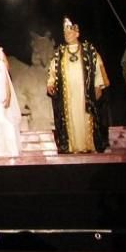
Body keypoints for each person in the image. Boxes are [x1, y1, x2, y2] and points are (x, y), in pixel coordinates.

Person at [47, 17, 109, 153]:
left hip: (85, 93)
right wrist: (51, 83)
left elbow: (97, 67)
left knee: (86, 116)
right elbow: (52, 70)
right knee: (70, 118)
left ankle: (88, 144)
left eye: (70, 33)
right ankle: (72, 145)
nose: (67, 36)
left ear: (77, 33)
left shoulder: (88, 50)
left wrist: (98, 85)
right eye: (65, 34)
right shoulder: (60, 53)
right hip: (68, 93)